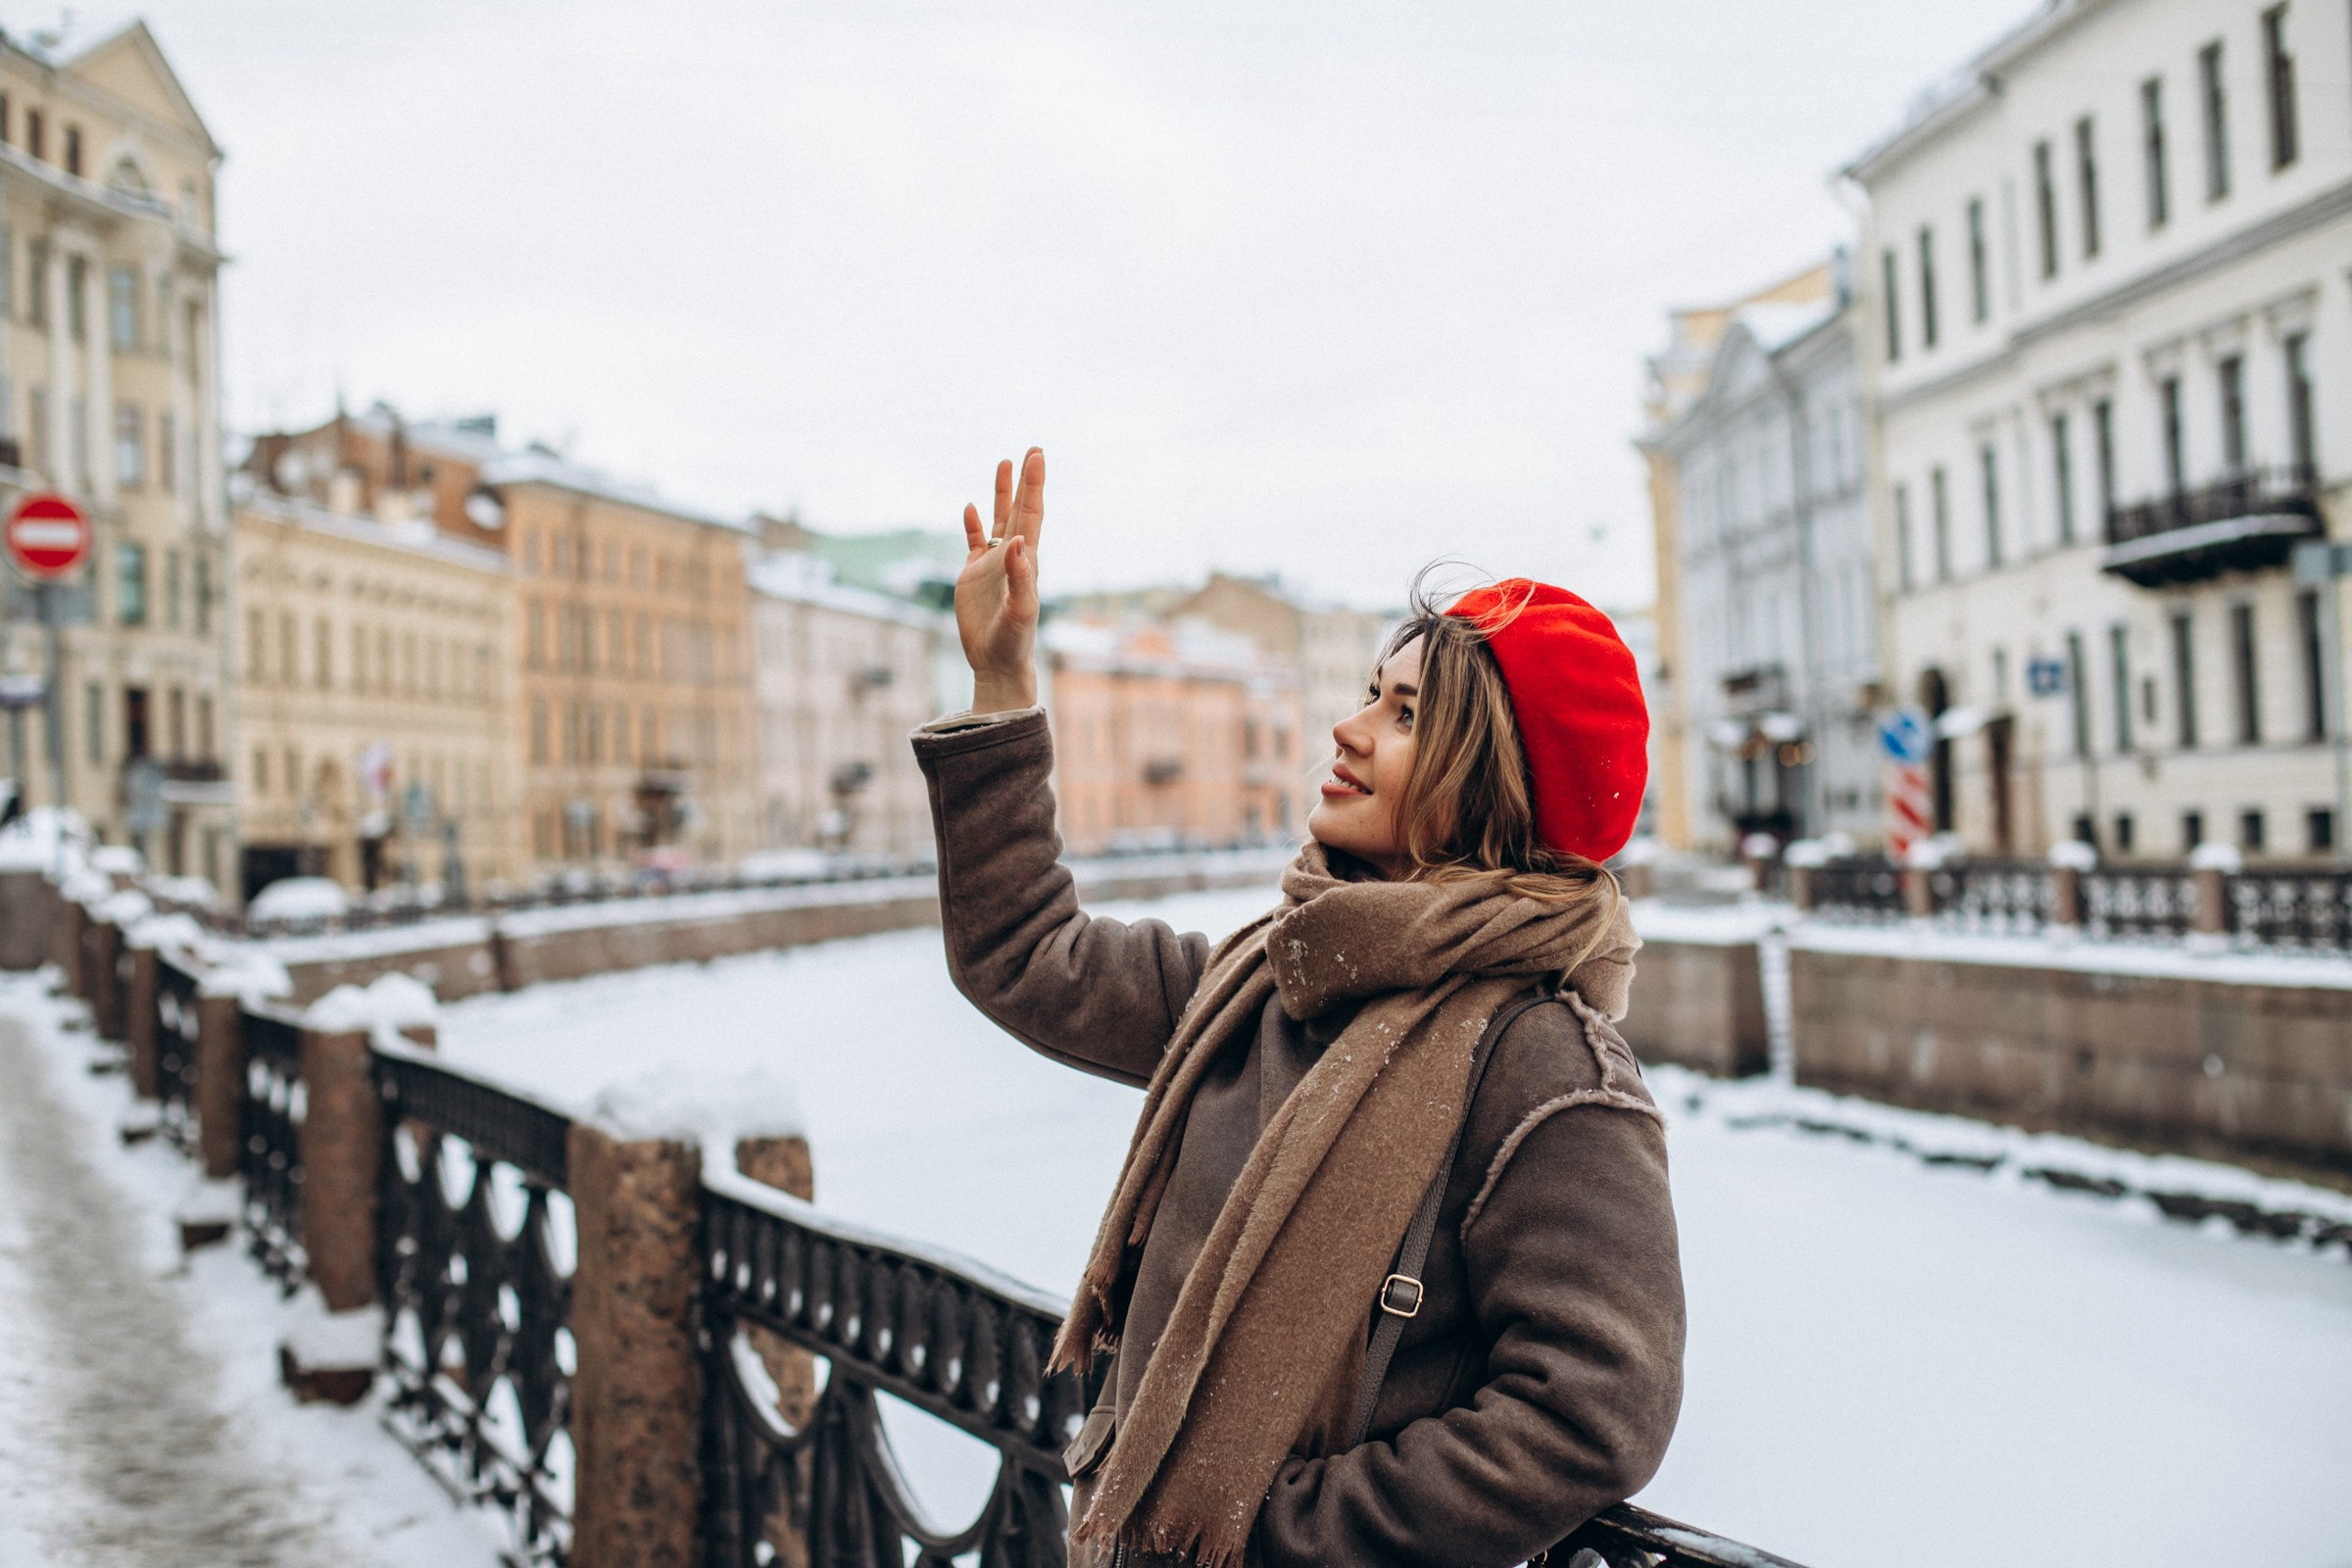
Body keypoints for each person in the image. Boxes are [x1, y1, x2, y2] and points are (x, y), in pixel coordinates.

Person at [911, 448, 1684, 1568]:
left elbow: (1590, 1414)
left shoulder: (1547, 1067)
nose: (1351, 726)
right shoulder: (1271, 980)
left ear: (1490, 778)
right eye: (1371, 691)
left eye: (1406, 712)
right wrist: (1000, 685)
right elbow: (1027, 956)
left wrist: (1279, 1527)